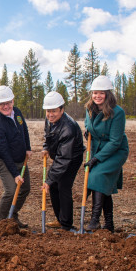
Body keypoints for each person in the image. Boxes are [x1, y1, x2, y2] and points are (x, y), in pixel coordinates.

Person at [84, 75, 129, 232]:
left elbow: (116, 141)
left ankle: (94, 219)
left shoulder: (117, 113)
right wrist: (87, 132)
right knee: (101, 184)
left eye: (101, 93)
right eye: (95, 93)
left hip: (115, 151)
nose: (97, 96)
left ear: (108, 94)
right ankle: (109, 223)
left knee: (97, 177)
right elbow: (87, 125)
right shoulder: (89, 109)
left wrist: (97, 158)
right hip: (98, 149)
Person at [0, 86, 31, 228]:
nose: (6, 106)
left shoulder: (16, 112)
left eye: (8, 102)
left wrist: (28, 148)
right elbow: (4, 152)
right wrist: (15, 174)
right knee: (11, 190)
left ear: (13, 100)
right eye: (2, 104)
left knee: (25, 189)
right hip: (4, 162)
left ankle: (12, 216)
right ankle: (0, 221)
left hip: (20, 157)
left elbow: (24, 129)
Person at [42, 92, 84, 231]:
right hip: (61, 156)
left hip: (72, 158)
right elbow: (48, 135)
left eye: (54, 111)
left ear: (62, 109)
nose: (50, 114)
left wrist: (49, 180)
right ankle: (59, 219)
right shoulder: (49, 120)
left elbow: (64, 159)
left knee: (63, 187)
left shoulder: (68, 128)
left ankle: (66, 224)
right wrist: (46, 147)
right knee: (54, 185)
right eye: (48, 111)